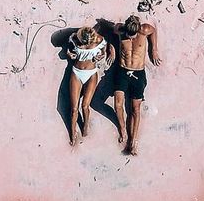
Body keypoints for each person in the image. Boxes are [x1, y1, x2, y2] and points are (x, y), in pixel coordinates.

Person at [113, 16, 161, 155]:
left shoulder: (145, 29)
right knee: (118, 105)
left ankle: (133, 140)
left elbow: (153, 31)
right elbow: (110, 31)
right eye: (129, 35)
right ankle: (122, 128)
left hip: (138, 74)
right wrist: (112, 49)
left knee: (135, 109)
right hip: (122, 70)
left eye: (133, 35)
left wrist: (154, 50)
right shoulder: (120, 29)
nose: (131, 38)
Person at [67, 27, 115, 146]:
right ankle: (72, 132)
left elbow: (103, 51)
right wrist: (70, 54)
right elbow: (69, 51)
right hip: (77, 72)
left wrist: (103, 55)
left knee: (85, 106)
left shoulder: (99, 40)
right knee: (74, 109)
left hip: (91, 73)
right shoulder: (74, 38)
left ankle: (85, 125)